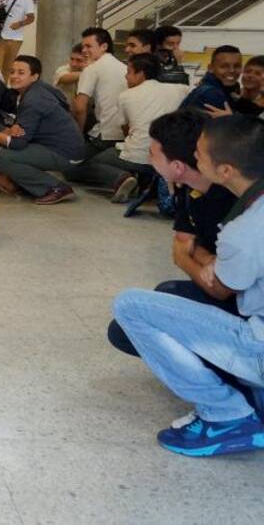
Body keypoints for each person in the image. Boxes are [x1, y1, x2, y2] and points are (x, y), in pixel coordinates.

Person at [111, 115, 264, 457]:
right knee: (166, 294)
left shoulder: (245, 226)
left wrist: (211, 262)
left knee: (130, 307)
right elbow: (184, 251)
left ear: (225, 170)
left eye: (201, 153)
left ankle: (227, 414)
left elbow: (220, 286)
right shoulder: (205, 195)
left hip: (257, 343)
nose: (196, 158)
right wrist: (207, 262)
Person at [106, 109, 238, 357]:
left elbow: (220, 287)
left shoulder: (234, 200)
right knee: (130, 324)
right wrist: (206, 260)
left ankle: (231, 371)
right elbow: (180, 244)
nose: (149, 158)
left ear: (178, 166)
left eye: (153, 153)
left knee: (156, 305)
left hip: (248, 309)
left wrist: (191, 256)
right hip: (223, 286)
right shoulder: (187, 188)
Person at [0, 56, 89, 205]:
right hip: (72, 148)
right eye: (12, 71)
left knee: (2, 158)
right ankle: (36, 184)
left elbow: (18, 144)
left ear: (34, 76)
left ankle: (55, 188)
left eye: (21, 73)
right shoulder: (42, 88)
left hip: (65, 153)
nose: (14, 76)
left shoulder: (33, 100)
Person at [91, 53, 190, 186]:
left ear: (141, 74)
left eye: (129, 72)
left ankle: (121, 178)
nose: (126, 76)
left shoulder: (126, 96)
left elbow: (126, 130)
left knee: (93, 162)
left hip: (138, 157)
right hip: (170, 159)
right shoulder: (179, 90)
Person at [73, 27, 137, 198]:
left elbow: (80, 107)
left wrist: (77, 135)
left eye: (89, 46)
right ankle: (120, 172)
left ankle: (118, 177)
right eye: (83, 47)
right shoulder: (124, 67)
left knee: (70, 165)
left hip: (106, 134)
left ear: (104, 47)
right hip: (126, 133)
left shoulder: (92, 69)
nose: (84, 50)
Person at [181, 45, 242, 112]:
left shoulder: (230, 88)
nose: (232, 70)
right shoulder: (211, 94)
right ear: (211, 68)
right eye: (224, 66)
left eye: (237, 66)